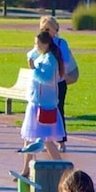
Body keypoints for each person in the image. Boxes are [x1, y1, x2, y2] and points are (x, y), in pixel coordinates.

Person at [20, 31, 67, 171]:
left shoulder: (50, 60)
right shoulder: (42, 56)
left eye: (38, 43)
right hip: (36, 102)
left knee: (47, 140)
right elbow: (31, 54)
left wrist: (34, 69)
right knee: (29, 139)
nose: (35, 46)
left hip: (44, 104)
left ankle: (63, 168)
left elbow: (46, 79)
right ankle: (25, 170)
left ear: (45, 44)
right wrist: (34, 54)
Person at [41, 16, 80, 151]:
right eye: (43, 29)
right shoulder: (42, 42)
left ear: (55, 29)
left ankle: (61, 141)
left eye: (48, 29)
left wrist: (58, 73)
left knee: (58, 110)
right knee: (45, 111)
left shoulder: (61, 43)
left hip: (58, 83)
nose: (46, 32)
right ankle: (47, 140)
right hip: (45, 83)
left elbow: (66, 62)